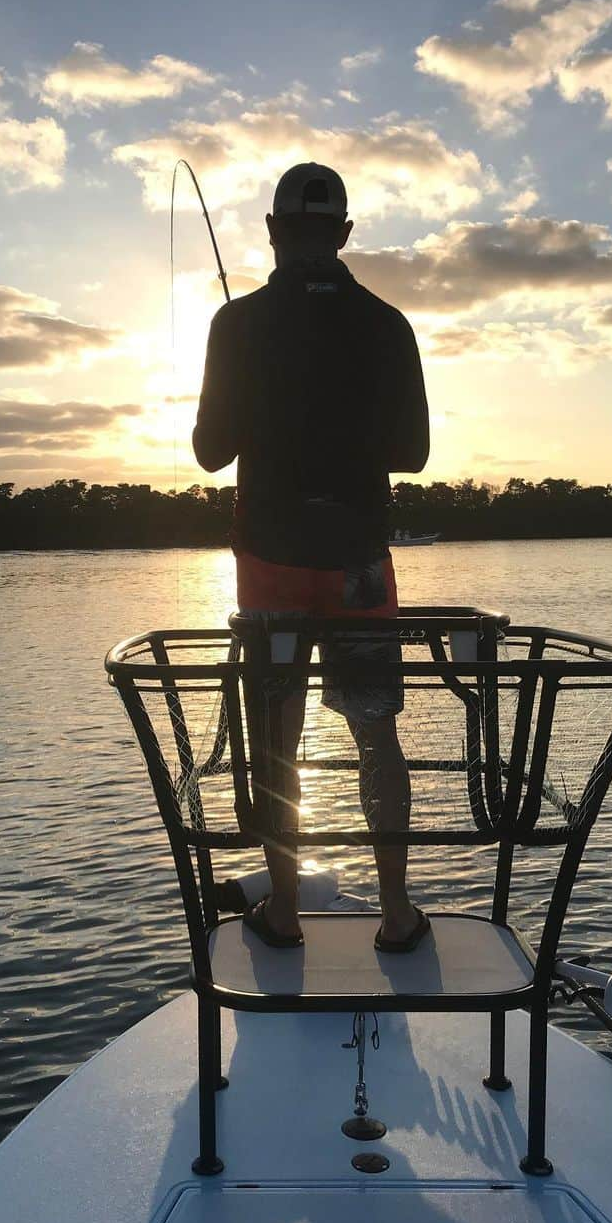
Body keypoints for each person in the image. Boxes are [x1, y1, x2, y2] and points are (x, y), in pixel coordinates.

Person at [192, 162, 430, 952]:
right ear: (346, 234)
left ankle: (285, 911)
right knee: (376, 733)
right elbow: (415, 452)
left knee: (276, 737)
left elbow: (208, 453)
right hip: (359, 558)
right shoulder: (388, 323)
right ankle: (396, 915)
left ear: (272, 231)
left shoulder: (237, 324)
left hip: (270, 560)